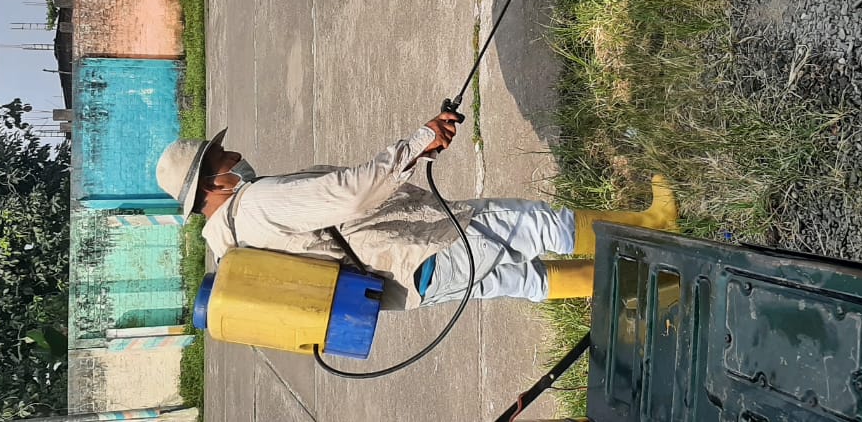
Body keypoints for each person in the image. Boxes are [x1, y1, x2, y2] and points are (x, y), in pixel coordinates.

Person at [155, 112, 679, 310]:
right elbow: (349, 193)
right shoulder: (256, 205)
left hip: (410, 287)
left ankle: (658, 286)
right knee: (536, 226)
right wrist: (416, 142)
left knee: (528, 280)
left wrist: (417, 154)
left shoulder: (232, 246)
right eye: (221, 156)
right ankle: (655, 226)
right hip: (421, 248)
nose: (234, 156)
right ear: (211, 182)